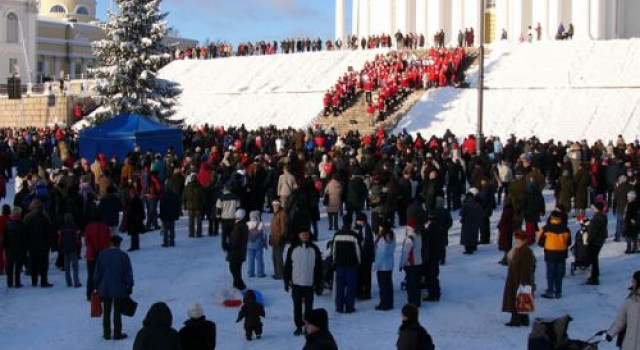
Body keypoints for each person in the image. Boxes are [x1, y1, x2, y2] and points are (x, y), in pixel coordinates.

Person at [94, 235, 134, 340]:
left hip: (105, 287)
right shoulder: (123, 256)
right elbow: (128, 273)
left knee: (106, 311)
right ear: (119, 243)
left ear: (110, 242)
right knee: (117, 311)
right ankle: (117, 333)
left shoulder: (102, 255)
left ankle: (106, 333)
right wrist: (130, 285)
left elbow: (98, 272)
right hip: (118, 287)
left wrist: (96, 285)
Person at [284, 229, 323, 336]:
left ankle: (308, 326)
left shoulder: (314, 249)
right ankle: (298, 326)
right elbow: (287, 266)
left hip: (309, 284)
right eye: (303, 234)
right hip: (296, 284)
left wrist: (319, 283)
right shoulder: (292, 249)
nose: (305, 236)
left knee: (309, 308)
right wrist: (286, 280)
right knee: (297, 307)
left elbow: (319, 268)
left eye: (306, 234)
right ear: (299, 235)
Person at [502, 230, 536, 327]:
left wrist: (524, 281)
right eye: (516, 239)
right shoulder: (518, 250)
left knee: (518, 299)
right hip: (516, 278)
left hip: (520, 279)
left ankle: (516, 320)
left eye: (518, 239)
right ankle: (523, 320)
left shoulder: (526, 252)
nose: (516, 241)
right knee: (522, 299)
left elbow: (528, 268)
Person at [537, 211, 571, 299]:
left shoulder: (546, 229)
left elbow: (540, 242)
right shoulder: (566, 229)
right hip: (561, 254)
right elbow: (569, 242)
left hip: (550, 254)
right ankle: (558, 292)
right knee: (559, 274)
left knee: (550, 274)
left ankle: (550, 291)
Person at [605, 271, 640, 350]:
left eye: (634, 281)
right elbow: (620, 321)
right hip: (629, 345)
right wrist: (611, 334)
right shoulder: (630, 301)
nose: (632, 282)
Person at [332, 216, 361, 313]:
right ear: (350, 223)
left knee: (339, 286)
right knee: (350, 286)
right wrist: (358, 261)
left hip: (340, 264)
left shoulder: (336, 235)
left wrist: (334, 261)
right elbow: (358, 251)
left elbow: (334, 250)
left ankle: (339, 306)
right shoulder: (354, 235)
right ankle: (349, 307)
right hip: (351, 264)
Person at [23, 198, 53, 287]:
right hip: (43, 245)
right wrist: (49, 243)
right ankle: (44, 281)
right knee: (43, 264)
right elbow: (49, 231)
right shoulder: (45, 217)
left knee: (34, 263)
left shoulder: (28, 217)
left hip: (32, 244)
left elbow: (25, 231)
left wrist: (27, 244)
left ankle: (34, 280)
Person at [84, 210, 112, 300]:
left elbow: (87, 242)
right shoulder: (105, 228)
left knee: (91, 275)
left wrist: (93, 250)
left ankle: (89, 294)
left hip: (91, 255)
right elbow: (107, 241)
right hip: (103, 255)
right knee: (102, 275)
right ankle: (102, 293)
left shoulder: (88, 228)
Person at [399, 218, 423, 307]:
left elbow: (405, 252)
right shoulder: (418, 234)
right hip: (418, 262)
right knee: (416, 283)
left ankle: (412, 301)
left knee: (411, 284)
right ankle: (417, 301)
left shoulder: (409, 237)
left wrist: (402, 264)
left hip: (411, 264)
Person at [423, 212, 445, 302]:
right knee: (435, 274)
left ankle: (433, 294)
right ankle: (436, 292)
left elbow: (427, 244)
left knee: (430, 276)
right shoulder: (441, 229)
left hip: (430, 255)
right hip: (437, 254)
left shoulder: (429, 230)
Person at [374, 221, 395, 311]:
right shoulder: (391, 236)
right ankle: (389, 303)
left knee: (383, 287)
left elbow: (380, 254)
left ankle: (384, 303)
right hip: (389, 264)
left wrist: (376, 266)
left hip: (382, 266)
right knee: (388, 285)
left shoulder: (383, 239)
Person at [58, 213, 82, 288]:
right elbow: (78, 239)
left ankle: (68, 281)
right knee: (75, 266)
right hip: (73, 248)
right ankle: (76, 282)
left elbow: (59, 240)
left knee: (67, 266)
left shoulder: (62, 228)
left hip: (65, 249)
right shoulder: (74, 228)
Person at [354, 212, 374, 300]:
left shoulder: (367, 228)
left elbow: (367, 242)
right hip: (365, 255)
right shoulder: (363, 227)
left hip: (366, 255)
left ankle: (367, 292)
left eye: (358, 220)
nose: (357, 222)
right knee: (364, 274)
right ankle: (364, 290)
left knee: (366, 274)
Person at [587, 202, 607, 285]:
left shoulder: (597, 217)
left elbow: (593, 231)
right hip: (600, 239)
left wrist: (589, 240)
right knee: (595, 258)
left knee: (594, 259)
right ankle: (595, 274)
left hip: (596, 241)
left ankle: (594, 278)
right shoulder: (602, 215)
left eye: (594, 207)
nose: (593, 208)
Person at [227, 209, 248, 291]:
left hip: (236, 252)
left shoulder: (239, 227)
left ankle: (239, 284)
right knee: (237, 269)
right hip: (240, 252)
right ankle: (238, 284)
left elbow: (235, 241)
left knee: (233, 268)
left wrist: (229, 246)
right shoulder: (243, 226)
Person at [4, 207, 25, 288]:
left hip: (9, 248)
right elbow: (24, 237)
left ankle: (9, 282)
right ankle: (17, 282)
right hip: (19, 247)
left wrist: (5, 246)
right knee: (18, 266)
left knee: (10, 266)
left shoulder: (8, 223)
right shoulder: (21, 223)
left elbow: (5, 236)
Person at [460, 189, 482, 254]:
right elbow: (480, 213)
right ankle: (474, 247)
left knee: (467, 236)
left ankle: (468, 250)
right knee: (474, 235)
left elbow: (461, 213)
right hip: (475, 222)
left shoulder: (466, 204)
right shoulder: (477, 204)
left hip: (467, 222)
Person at [269, 200, 287, 280]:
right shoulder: (275, 214)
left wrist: (282, 237)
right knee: (274, 257)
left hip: (280, 239)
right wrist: (270, 237)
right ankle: (277, 273)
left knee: (278, 257)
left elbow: (284, 227)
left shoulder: (282, 214)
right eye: (273, 205)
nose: (275, 207)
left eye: (276, 205)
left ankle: (280, 274)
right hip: (274, 239)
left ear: (279, 205)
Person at [246, 211, 267, 278]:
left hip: (249, 245)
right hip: (258, 245)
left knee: (250, 260)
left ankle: (250, 273)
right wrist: (264, 243)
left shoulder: (247, 224)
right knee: (259, 260)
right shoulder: (260, 224)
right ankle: (260, 273)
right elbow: (264, 235)